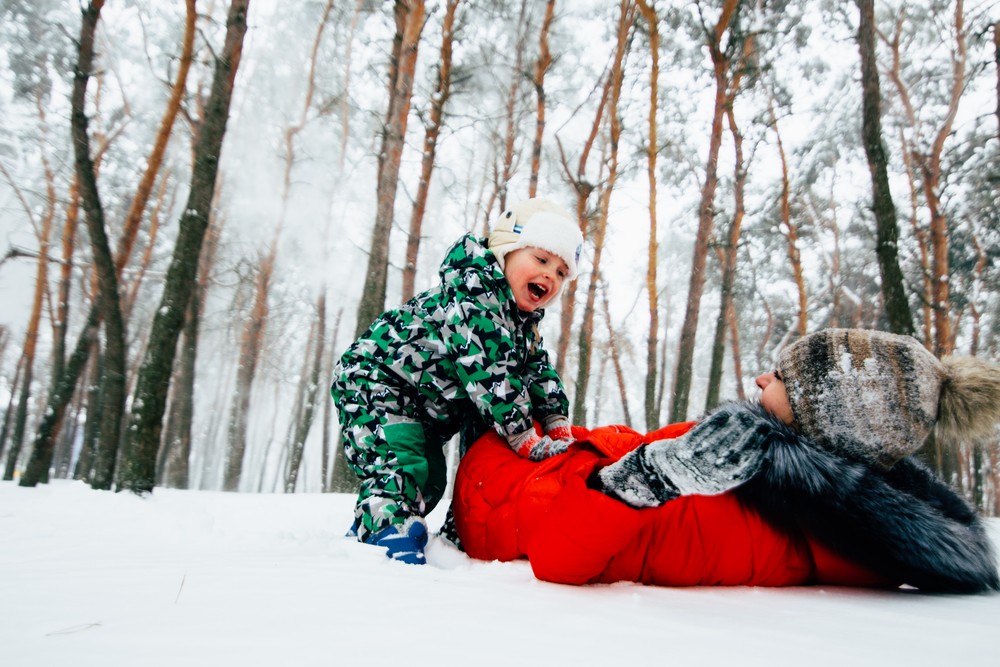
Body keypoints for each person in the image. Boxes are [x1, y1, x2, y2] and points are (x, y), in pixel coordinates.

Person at [451, 328, 1000, 592]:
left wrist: (647, 477)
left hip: (498, 513)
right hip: (512, 475)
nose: (763, 378)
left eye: (782, 377)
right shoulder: (758, 453)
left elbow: (559, 560)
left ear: (822, 416)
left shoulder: (769, 519)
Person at [331, 198, 584, 564]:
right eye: (542, 260)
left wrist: (556, 420)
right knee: (403, 464)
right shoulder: (474, 295)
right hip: (377, 382)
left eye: (562, 272)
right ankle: (383, 531)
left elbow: (535, 369)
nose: (551, 276)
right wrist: (522, 436)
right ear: (505, 252)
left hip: (422, 403)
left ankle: (393, 519)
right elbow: (489, 369)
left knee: (431, 476)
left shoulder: (521, 324)